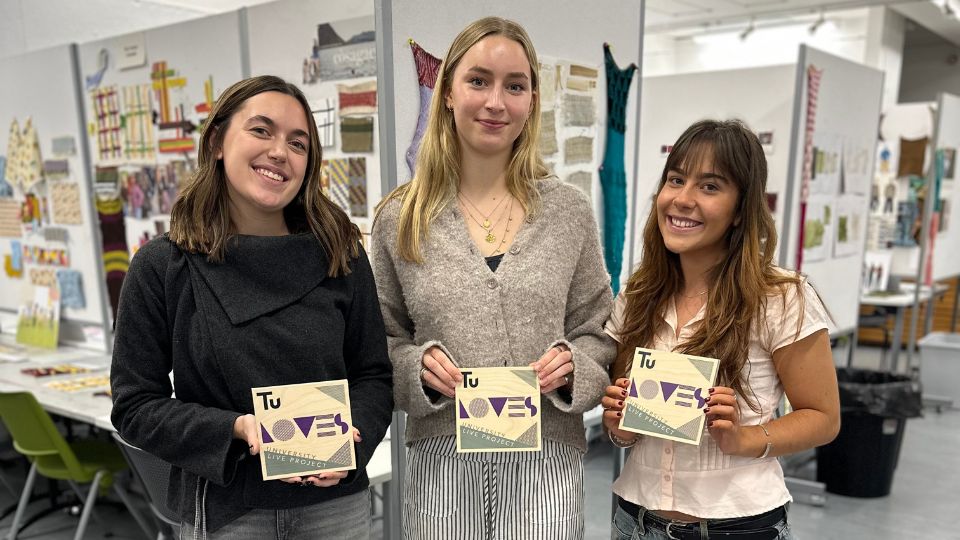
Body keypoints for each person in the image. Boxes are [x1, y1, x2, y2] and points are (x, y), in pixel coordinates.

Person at [110, 75, 393, 539]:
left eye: (298, 143)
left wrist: (350, 444)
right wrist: (235, 428)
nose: (280, 152)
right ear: (219, 141)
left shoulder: (341, 254)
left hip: (336, 507)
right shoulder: (164, 265)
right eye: (261, 131)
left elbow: (373, 377)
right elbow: (135, 406)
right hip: (229, 512)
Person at [370, 16, 615, 540]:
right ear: (448, 92)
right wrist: (416, 367)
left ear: (532, 101)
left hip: (546, 450)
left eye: (515, 86)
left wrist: (574, 365)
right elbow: (378, 339)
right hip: (443, 454)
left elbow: (598, 327)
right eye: (478, 81)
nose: (496, 102)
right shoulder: (400, 218)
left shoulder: (568, 212)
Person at [602, 119, 840, 540]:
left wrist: (744, 438)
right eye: (676, 180)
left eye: (710, 187)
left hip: (737, 526)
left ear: (739, 210)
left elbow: (823, 418)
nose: (683, 199)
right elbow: (625, 425)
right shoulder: (638, 296)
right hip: (634, 519)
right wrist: (619, 426)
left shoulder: (781, 296)